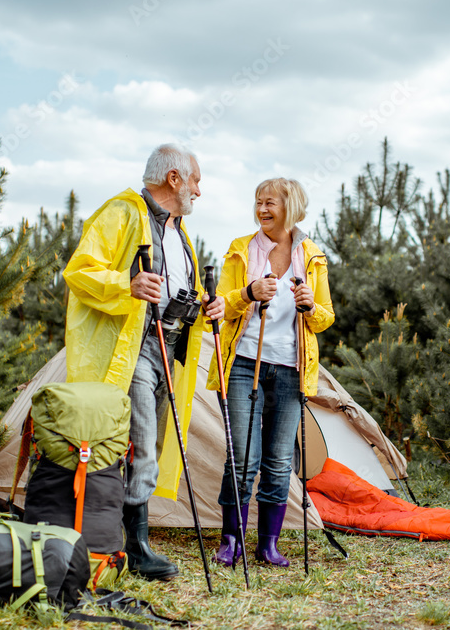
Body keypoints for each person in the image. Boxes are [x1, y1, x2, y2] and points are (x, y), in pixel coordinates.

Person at [62, 143, 224, 581]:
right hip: (132, 349)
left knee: (147, 449)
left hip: (170, 350)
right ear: (175, 179)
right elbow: (79, 271)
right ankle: (131, 547)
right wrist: (126, 285)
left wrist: (209, 308)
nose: (199, 191)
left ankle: (126, 542)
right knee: (137, 444)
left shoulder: (177, 230)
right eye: (196, 181)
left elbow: (173, 292)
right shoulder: (123, 212)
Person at [207, 177, 334, 567]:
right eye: (258, 202)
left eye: (270, 203)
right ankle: (232, 542)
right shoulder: (241, 250)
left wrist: (311, 306)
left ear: (290, 207)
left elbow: (326, 319)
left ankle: (269, 544)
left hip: (292, 369)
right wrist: (247, 293)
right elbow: (217, 306)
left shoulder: (311, 257)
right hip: (245, 362)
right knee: (242, 459)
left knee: (278, 461)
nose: (262, 209)